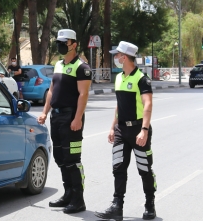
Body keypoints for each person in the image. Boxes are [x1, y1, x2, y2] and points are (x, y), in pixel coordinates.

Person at [94, 41, 157, 221]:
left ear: (125, 57)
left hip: (138, 129)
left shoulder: (142, 79)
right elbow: (119, 106)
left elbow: (148, 104)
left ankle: (150, 204)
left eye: (117, 54)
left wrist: (144, 130)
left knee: (144, 169)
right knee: (118, 168)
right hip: (121, 129)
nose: (115, 57)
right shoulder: (120, 77)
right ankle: (117, 207)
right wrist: (113, 127)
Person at [37, 29, 92, 214]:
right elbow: (52, 90)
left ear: (74, 44)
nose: (60, 45)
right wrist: (45, 112)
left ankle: (79, 199)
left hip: (71, 118)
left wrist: (77, 118)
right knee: (61, 158)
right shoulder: (58, 65)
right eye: (59, 42)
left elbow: (83, 95)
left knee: (72, 160)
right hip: (56, 117)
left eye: (64, 42)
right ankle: (68, 194)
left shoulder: (82, 68)